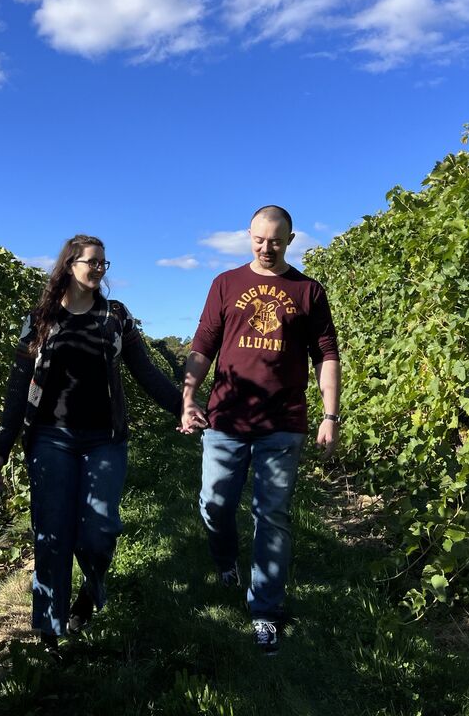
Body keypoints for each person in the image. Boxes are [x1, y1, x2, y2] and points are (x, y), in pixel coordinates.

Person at [0, 234, 183, 655]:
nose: (98, 269)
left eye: (103, 264)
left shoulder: (115, 317)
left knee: (99, 531)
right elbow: (19, 386)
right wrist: (2, 445)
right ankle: (50, 632)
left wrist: (182, 408)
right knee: (52, 534)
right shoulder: (39, 319)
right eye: (91, 262)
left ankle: (89, 596)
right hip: (50, 438)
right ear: (70, 264)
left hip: (104, 439)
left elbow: (146, 372)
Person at [180, 205, 341, 655]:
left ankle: (265, 611)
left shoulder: (308, 290)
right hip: (226, 417)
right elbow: (203, 345)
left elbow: (326, 354)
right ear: (248, 236)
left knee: (272, 516)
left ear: (290, 239)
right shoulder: (226, 284)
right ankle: (225, 560)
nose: (266, 248)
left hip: (283, 421)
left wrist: (330, 415)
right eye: (259, 239)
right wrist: (188, 397)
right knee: (215, 504)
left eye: (275, 240)